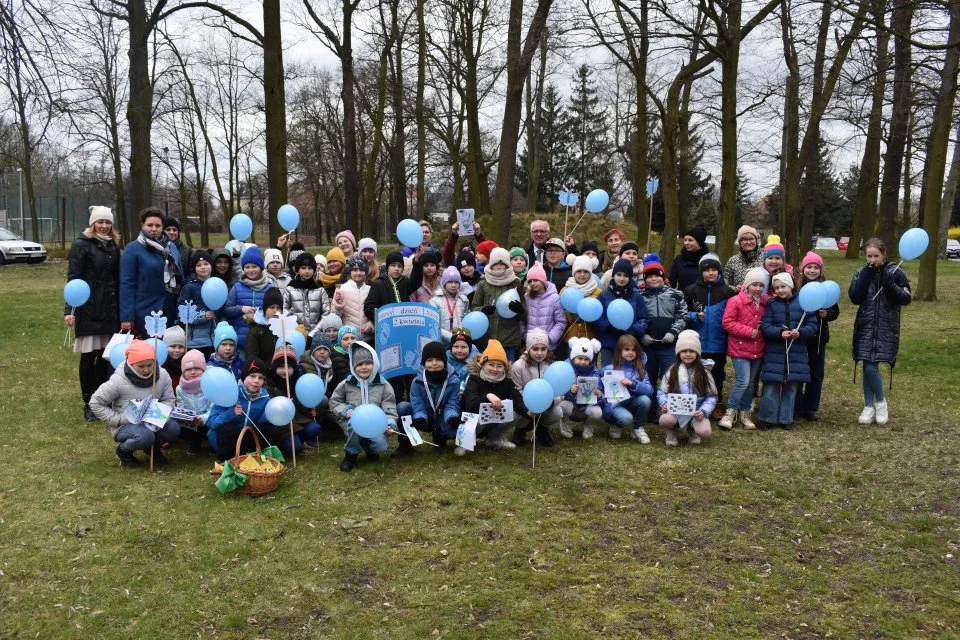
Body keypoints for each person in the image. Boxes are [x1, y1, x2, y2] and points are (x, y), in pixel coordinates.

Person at [65, 205, 120, 420]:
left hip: (109, 308)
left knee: (104, 356)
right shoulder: (81, 245)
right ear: (93, 223)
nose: (104, 226)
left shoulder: (114, 246)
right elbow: (73, 278)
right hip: (88, 308)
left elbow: (116, 278)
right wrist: (70, 309)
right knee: (88, 357)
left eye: (108, 222)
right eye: (100, 222)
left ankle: (100, 398)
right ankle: (88, 402)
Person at [848, 237, 911, 425]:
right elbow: (855, 297)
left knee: (871, 364)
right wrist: (866, 276)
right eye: (869, 256)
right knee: (868, 364)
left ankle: (880, 402)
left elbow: (906, 298)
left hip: (885, 326)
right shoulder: (861, 272)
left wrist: (889, 283)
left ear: (884, 255)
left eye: (876, 255)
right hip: (865, 325)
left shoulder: (895, 272)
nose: (872, 259)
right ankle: (869, 406)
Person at [89, 340, 180, 468]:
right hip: (126, 424)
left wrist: (159, 412)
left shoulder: (163, 375)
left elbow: (169, 399)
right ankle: (124, 451)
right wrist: (118, 419)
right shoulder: (118, 380)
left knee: (173, 429)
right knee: (145, 436)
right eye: (141, 366)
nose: (147, 370)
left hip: (154, 419)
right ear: (131, 364)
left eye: (150, 365)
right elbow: (96, 402)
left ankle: (152, 448)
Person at [758, 272, 817, 430]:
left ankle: (786, 418)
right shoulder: (772, 304)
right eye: (776, 288)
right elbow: (766, 326)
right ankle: (767, 418)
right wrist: (778, 333)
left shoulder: (803, 304)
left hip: (796, 353)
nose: (780, 290)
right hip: (775, 353)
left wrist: (801, 333)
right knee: (771, 387)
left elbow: (812, 325)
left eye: (783, 286)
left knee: (791, 388)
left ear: (790, 286)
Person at [330, 341, 398, 471]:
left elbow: (389, 408)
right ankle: (351, 454)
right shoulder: (347, 383)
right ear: (353, 366)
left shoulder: (384, 385)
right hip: (351, 423)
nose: (364, 367)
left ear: (375, 363)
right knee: (355, 424)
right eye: (359, 364)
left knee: (381, 446)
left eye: (368, 363)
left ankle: (370, 449)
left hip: (374, 424)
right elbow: (334, 401)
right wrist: (345, 410)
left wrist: (389, 424)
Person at [119, 207, 183, 337]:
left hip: (168, 310)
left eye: (158, 225)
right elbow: (126, 284)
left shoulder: (171, 247)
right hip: (144, 311)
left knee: (167, 352)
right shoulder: (133, 249)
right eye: (150, 225)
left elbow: (179, 275)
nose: (154, 229)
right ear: (142, 225)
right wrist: (127, 316)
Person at [683, 253, 736, 410]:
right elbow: (682, 313)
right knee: (695, 374)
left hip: (718, 342)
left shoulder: (727, 292)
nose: (711, 273)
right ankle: (696, 403)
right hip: (696, 342)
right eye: (707, 270)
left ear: (719, 271)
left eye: (714, 269)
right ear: (701, 272)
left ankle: (717, 403)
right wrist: (694, 316)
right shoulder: (691, 290)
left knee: (718, 375)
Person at [793, 252, 840, 421]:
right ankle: (796, 406)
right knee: (797, 371)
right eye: (809, 267)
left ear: (821, 270)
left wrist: (827, 313)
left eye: (816, 267)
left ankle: (811, 407)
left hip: (818, 337)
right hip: (800, 335)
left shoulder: (826, 288)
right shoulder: (795, 286)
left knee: (816, 373)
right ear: (803, 268)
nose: (812, 271)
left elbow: (836, 312)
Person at [719, 268, 768, 429]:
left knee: (751, 383)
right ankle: (730, 412)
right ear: (747, 285)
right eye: (755, 284)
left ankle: (745, 413)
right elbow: (727, 322)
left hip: (757, 349)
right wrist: (749, 332)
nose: (758, 288)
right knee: (742, 381)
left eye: (761, 285)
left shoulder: (763, 303)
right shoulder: (735, 301)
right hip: (739, 348)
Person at [206, 358, 279, 463]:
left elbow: (260, 423)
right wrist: (231, 413)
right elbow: (211, 422)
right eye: (252, 376)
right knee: (229, 428)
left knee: (269, 427)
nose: (256, 381)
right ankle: (222, 460)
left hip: (248, 439)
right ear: (244, 376)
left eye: (261, 377)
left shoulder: (265, 398)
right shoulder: (229, 393)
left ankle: (254, 455)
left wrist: (270, 414)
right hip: (227, 441)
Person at [461, 339, 528, 454]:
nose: (495, 369)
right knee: (475, 417)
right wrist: (487, 396)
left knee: (517, 413)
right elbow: (469, 405)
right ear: (482, 364)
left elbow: (517, 400)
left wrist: (528, 412)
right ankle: (465, 442)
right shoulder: (474, 379)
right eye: (491, 364)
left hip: (493, 420)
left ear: (505, 368)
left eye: (500, 366)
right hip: (473, 422)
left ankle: (493, 438)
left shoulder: (507, 382)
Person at [657, 330, 718, 446]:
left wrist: (703, 411)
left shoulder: (705, 372)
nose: (688, 354)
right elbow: (661, 392)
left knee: (705, 432)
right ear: (678, 353)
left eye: (692, 351)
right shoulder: (672, 370)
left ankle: (692, 429)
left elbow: (712, 396)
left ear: (698, 353)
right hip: (676, 410)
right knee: (665, 420)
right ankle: (672, 429)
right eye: (684, 351)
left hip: (696, 411)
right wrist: (664, 404)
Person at [398, 341, 462, 451]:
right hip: (425, 416)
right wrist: (420, 418)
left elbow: (452, 403)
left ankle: (440, 439)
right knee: (403, 407)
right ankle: (407, 443)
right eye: (429, 360)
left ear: (445, 361)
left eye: (438, 360)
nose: (434, 363)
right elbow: (417, 403)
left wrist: (452, 417)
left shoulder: (454, 381)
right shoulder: (417, 381)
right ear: (424, 362)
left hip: (443, 416)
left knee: (453, 431)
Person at [639, 254, 689, 390]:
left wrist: (673, 332)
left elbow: (683, 315)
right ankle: (651, 410)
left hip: (668, 346)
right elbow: (635, 318)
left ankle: (667, 409)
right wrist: (641, 335)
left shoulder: (675, 294)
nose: (653, 279)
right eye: (649, 276)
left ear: (663, 277)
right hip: (648, 346)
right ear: (645, 279)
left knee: (670, 378)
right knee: (648, 379)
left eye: (657, 275)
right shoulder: (639, 296)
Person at [509, 328, 562, 447]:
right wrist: (530, 405)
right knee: (514, 414)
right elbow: (516, 390)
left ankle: (541, 429)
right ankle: (520, 430)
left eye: (543, 349)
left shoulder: (551, 366)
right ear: (528, 349)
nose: (539, 353)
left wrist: (551, 402)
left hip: (546, 405)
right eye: (535, 349)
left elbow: (559, 391)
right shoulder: (518, 366)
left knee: (558, 412)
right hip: (526, 406)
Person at [471, 248, 525, 362]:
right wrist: (482, 310)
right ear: (491, 265)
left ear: (507, 265)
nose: (499, 266)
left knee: (507, 370)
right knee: (487, 369)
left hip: (508, 339)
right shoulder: (483, 284)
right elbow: (473, 308)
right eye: (496, 264)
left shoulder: (516, 283)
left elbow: (525, 314)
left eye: (502, 263)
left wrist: (520, 311)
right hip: (486, 338)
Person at [595, 258, 649, 365]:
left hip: (630, 346)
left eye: (626, 275)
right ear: (613, 275)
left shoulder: (636, 296)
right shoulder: (603, 296)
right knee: (609, 376)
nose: (622, 278)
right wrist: (608, 327)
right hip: (609, 344)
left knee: (629, 376)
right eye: (619, 274)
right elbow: (597, 317)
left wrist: (633, 330)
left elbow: (644, 318)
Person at [602, 335, 654, 443]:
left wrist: (633, 384)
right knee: (626, 419)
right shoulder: (609, 369)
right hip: (615, 405)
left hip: (632, 402)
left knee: (645, 400)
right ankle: (615, 424)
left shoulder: (640, 370)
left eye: (634, 350)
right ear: (619, 351)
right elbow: (599, 387)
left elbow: (649, 390)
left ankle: (637, 428)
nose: (630, 352)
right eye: (627, 349)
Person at [223, 246, 274, 353]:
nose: (250, 270)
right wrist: (241, 309)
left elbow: (276, 312)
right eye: (247, 267)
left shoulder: (270, 287)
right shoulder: (237, 287)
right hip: (240, 341)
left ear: (261, 267)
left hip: (263, 341)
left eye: (254, 266)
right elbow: (227, 309)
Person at [559, 337, 606, 439]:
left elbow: (601, 391)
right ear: (573, 357)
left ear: (590, 360)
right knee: (562, 405)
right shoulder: (565, 369)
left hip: (586, 408)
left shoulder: (595, 372)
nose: (582, 362)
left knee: (597, 412)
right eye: (579, 358)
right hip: (571, 406)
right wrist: (570, 391)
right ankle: (565, 423)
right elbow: (559, 390)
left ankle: (588, 424)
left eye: (586, 359)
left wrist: (599, 394)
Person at [559, 254, 602, 358]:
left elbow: (600, 314)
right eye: (579, 271)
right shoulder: (565, 291)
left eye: (586, 271)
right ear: (574, 272)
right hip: (571, 338)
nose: (582, 274)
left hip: (590, 338)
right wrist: (571, 315)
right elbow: (559, 314)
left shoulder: (598, 292)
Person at [178, 251, 218, 358]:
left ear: (211, 266)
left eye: (206, 264)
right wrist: (202, 316)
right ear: (194, 269)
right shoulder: (189, 288)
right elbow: (182, 315)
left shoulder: (218, 286)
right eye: (199, 265)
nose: (203, 267)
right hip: (195, 341)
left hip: (216, 340)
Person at [520, 263, 567, 352]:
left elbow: (560, 322)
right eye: (530, 281)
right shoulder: (526, 298)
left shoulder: (554, 298)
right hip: (530, 346)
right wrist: (525, 336)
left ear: (543, 280)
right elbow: (521, 321)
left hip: (548, 347)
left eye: (536, 280)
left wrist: (550, 338)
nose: (532, 283)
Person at [283, 253, 330, 339]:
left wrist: (314, 332)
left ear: (314, 270)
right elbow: (284, 309)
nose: (307, 271)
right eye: (303, 268)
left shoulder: (320, 289)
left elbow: (326, 313)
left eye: (310, 268)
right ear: (298, 269)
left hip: (315, 335)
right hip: (294, 334)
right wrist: (295, 328)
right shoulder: (290, 288)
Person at [175, 350, 214, 455]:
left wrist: (202, 418)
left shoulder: (210, 385)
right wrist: (184, 416)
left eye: (197, 368)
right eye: (188, 369)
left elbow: (214, 407)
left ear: (203, 369)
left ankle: (214, 443)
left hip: (208, 420)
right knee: (176, 427)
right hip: (191, 423)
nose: (192, 372)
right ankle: (194, 441)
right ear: (183, 371)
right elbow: (181, 405)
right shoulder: (180, 388)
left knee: (212, 428)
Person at [332, 255, 374, 341]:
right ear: (350, 272)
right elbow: (334, 316)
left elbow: (374, 314)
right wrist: (338, 304)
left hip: (367, 339)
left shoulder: (371, 289)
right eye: (355, 270)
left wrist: (371, 325)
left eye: (361, 270)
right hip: (348, 338)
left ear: (365, 272)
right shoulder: (341, 289)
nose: (358, 273)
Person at [431, 266, 470, 345]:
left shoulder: (464, 300)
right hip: (441, 342)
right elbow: (434, 325)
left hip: (459, 342)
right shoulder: (435, 300)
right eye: (450, 282)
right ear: (444, 283)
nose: (453, 285)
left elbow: (467, 320)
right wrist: (451, 336)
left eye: (456, 282)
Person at [245, 288, 284, 365]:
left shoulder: (285, 329)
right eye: (272, 307)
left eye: (278, 308)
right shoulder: (255, 331)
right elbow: (252, 358)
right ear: (265, 309)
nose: (275, 311)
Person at [668, 226, 709, 292]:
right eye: (685, 240)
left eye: (690, 240)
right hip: (683, 299)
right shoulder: (679, 259)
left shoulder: (708, 259)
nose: (686, 243)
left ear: (699, 242)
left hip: (703, 299)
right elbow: (671, 282)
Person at [331, 325, 359, 393]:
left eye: (352, 338)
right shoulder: (337, 358)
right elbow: (348, 381)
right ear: (340, 341)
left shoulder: (361, 352)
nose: (350, 341)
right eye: (345, 339)